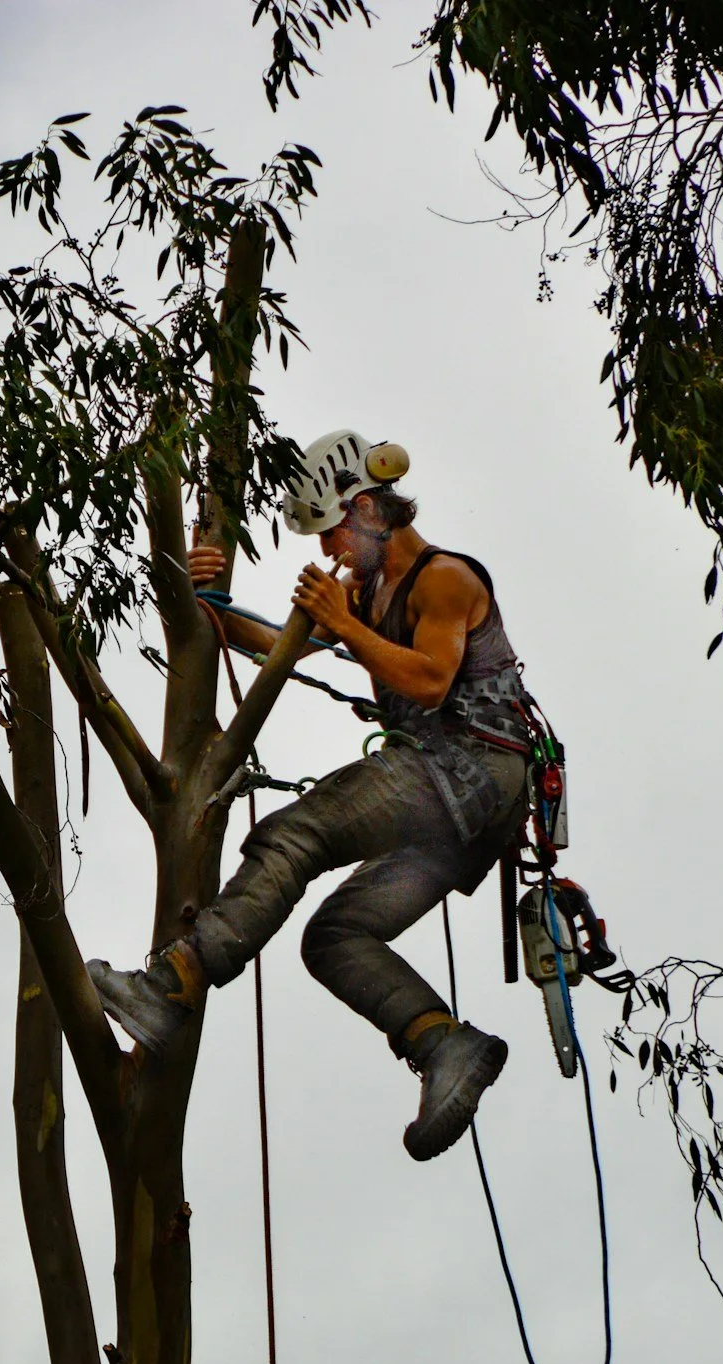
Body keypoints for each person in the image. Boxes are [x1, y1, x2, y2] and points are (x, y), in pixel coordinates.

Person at [87, 431, 532, 1160]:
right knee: (334, 938)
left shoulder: (443, 579)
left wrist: (346, 622)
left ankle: (173, 983)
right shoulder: (369, 594)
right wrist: (207, 603)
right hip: (460, 810)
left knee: (297, 834)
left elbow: (428, 681)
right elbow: (284, 644)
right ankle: (442, 1043)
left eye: (332, 531)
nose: (329, 551)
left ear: (366, 507)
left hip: (470, 769)